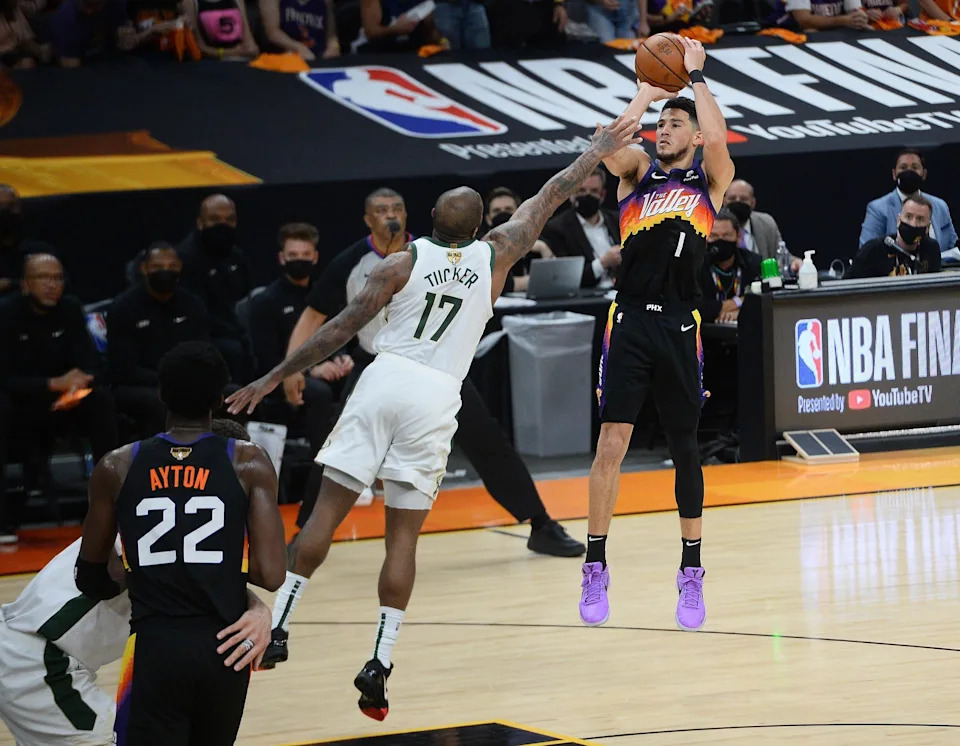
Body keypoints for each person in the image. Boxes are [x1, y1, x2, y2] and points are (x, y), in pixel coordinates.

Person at [225, 115, 641, 719]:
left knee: (324, 517)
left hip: (383, 379)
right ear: (479, 226)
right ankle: (379, 662)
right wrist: (596, 152)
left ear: (429, 221)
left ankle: (282, 628)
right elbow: (551, 194)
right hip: (438, 395)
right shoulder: (498, 251)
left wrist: (271, 376)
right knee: (403, 536)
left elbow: (340, 328)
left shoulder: (398, 264)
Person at [280, 188, 582, 556]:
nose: (390, 215)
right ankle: (305, 535)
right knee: (335, 449)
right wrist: (291, 369)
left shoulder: (440, 252)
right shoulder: (352, 261)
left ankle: (540, 522)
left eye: (396, 208)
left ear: (412, 214)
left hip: (441, 366)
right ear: (367, 219)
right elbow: (314, 316)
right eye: (381, 210)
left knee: (488, 440)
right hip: (380, 364)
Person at [578, 38, 735, 632]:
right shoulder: (637, 175)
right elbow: (607, 145)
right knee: (611, 444)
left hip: (680, 323)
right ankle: (595, 564)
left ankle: (690, 573)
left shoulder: (707, 182)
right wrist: (647, 89)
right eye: (660, 123)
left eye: (676, 124)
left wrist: (694, 78)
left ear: (692, 137)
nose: (664, 128)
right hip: (631, 322)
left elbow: (718, 140)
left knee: (685, 447)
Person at [0, 419, 272, 746]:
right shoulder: (153, 514)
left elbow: (190, 578)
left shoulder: (175, 522)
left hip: (34, 657)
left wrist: (258, 609)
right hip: (39, 662)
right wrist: (257, 607)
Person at [76, 342, 286, 744]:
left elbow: (91, 575)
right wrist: (216, 570)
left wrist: (139, 574)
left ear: (161, 395)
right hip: (227, 648)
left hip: (154, 649)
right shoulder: (250, 462)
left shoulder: (116, 465)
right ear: (220, 399)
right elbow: (271, 574)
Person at [0, 253, 118, 543]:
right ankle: (4, 518)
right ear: (26, 284)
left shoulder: (70, 309)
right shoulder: (6, 314)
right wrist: (52, 384)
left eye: (57, 278)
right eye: (44, 278)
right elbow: (5, 379)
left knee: (100, 400)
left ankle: (107, 507)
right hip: (22, 402)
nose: (52, 285)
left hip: (67, 402)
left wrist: (77, 387)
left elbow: (90, 364)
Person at [247, 222, 351, 508]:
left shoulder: (326, 295)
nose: (300, 261)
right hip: (281, 382)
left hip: (325, 371)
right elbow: (267, 359)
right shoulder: (265, 302)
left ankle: (359, 471)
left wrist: (342, 357)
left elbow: (340, 335)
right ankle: (326, 479)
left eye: (305, 254)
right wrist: (309, 370)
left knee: (361, 380)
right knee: (318, 393)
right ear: (282, 258)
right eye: (293, 255)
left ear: (316, 256)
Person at [109, 242, 210, 436]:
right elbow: (123, 369)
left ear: (180, 268)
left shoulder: (192, 304)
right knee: (163, 404)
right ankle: (161, 463)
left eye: (171, 267)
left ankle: (230, 460)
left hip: (185, 380)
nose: (166, 271)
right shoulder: (123, 308)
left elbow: (204, 352)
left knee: (233, 396)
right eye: (157, 267)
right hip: (139, 385)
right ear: (144, 269)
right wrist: (171, 380)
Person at [178, 194, 254, 382]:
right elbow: (192, 311)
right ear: (200, 222)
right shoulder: (186, 258)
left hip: (232, 328)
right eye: (215, 219)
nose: (223, 225)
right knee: (235, 350)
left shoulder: (236, 255)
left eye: (229, 219)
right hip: (199, 332)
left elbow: (245, 298)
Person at [859, 148, 957, 255]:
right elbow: (866, 252)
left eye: (915, 167)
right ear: (894, 174)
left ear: (923, 174)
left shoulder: (940, 206)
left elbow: (953, 246)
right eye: (903, 167)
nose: (909, 172)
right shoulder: (878, 209)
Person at [541, 167, 621, 289]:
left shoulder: (619, 220)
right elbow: (566, 277)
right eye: (581, 191)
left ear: (602, 195)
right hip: (585, 298)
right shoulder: (557, 229)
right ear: (570, 194)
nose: (587, 196)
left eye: (594, 191)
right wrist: (603, 262)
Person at [849, 195, 941, 279]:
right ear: (898, 220)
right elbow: (846, 288)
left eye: (920, 219)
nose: (913, 224)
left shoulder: (931, 249)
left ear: (927, 228)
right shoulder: (873, 250)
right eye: (908, 217)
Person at [697, 208, 761, 324]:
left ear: (738, 236)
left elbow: (765, 302)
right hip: (705, 336)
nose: (721, 241)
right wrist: (738, 302)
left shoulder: (754, 263)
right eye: (714, 236)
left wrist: (739, 314)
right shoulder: (694, 266)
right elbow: (696, 309)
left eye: (726, 236)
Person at [484, 186, 554, 293]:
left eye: (508, 209)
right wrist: (532, 281)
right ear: (488, 219)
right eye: (497, 211)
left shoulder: (537, 239)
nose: (503, 214)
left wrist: (543, 249)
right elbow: (490, 284)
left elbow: (555, 277)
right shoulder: (481, 245)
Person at [722, 179, 801, 272]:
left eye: (743, 199)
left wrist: (794, 262)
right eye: (732, 198)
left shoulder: (766, 223)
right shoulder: (712, 227)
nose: (738, 202)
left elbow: (780, 256)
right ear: (723, 201)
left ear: (753, 203)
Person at [259, 0, 339, 60]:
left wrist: (333, 46)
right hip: (284, 57)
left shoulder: (327, 2)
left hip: (319, 57)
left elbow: (331, 35)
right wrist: (298, 47)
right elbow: (272, 32)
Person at [183, 0, 259, 58]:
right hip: (210, 62)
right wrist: (230, 52)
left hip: (240, 59)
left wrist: (251, 49)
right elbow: (198, 47)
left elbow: (249, 41)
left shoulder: (237, 1)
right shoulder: (190, 2)